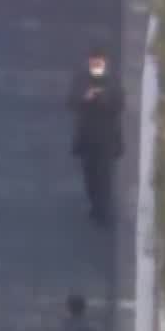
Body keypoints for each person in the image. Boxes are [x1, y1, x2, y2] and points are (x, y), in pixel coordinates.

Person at [68, 53, 123, 224]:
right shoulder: (81, 79)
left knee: (104, 175)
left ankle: (104, 212)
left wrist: (104, 98)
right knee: (90, 175)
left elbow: (120, 103)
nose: (96, 64)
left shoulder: (113, 80)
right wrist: (86, 97)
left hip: (106, 138)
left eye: (99, 61)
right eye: (93, 61)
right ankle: (95, 205)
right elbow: (70, 101)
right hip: (87, 138)